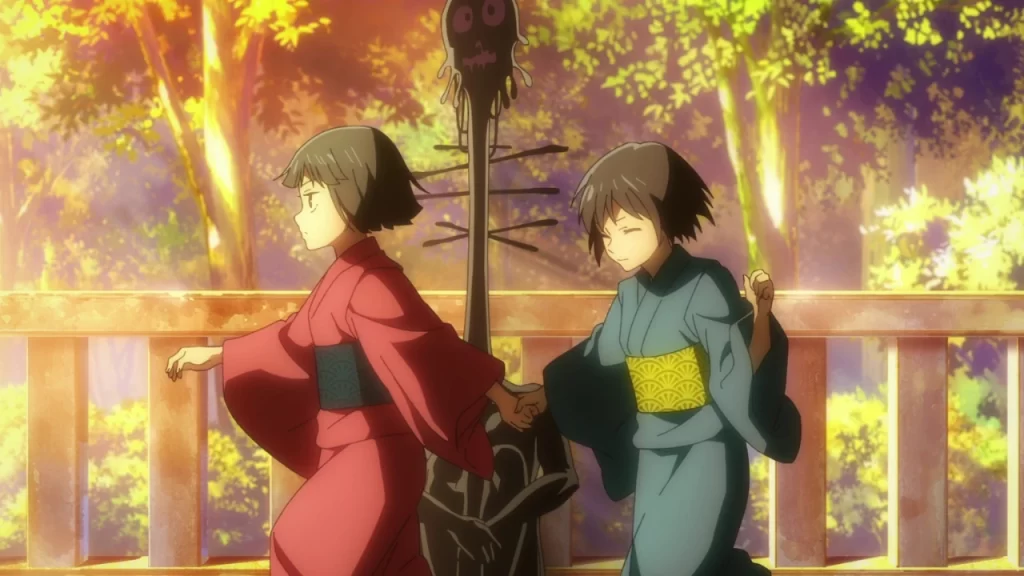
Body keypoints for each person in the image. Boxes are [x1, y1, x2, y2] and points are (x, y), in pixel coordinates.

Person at [164, 126, 534, 576]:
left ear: (351, 194)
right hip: (346, 447)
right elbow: (291, 338)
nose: (300, 215)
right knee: (392, 567)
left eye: (311, 200)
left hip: (375, 453)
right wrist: (219, 354)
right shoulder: (347, 276)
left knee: (300, 548)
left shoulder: (374, 282)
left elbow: (431, 349)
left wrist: (499, 395)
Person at [515, 142, 802, 576]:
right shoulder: (629, 295)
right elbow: (597, 358)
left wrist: (760, 316)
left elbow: (736, 365)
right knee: (645, 564)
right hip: (653, 453)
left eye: (628, 230)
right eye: (607, 235)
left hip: (704, 453)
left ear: (665, 217)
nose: (616, 246)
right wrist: (545, 396)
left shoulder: (705, 283)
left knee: (673, 566)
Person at [420, 381, 578, 576]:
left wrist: (502, 524)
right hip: (446, 540)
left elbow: (565, 477)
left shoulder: (532, 402)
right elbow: (403, 487)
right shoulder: (429, 400)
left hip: (507, 542)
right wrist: (457, 525)